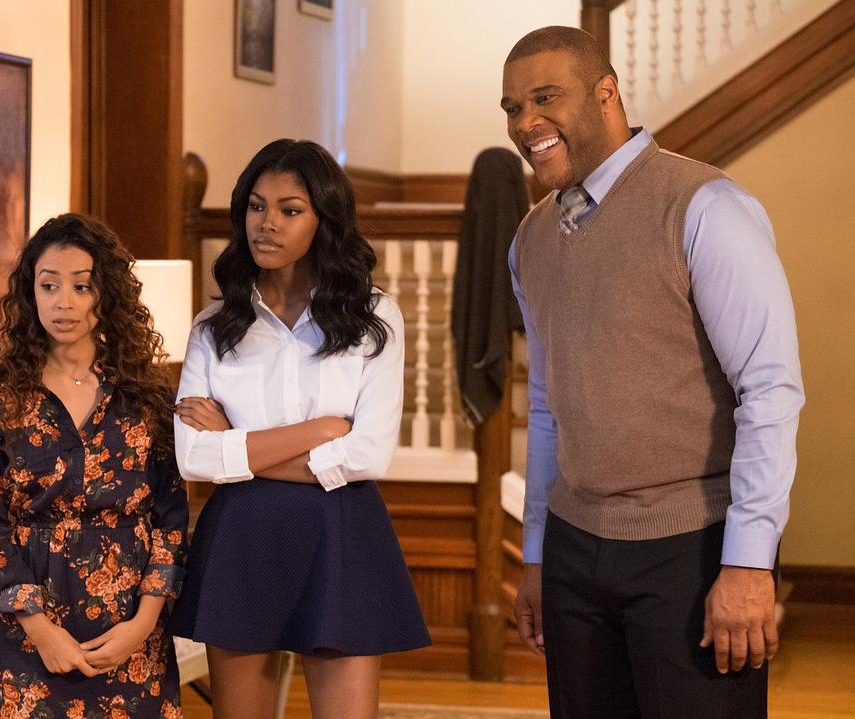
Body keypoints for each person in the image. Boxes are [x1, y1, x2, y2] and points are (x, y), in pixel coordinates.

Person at [501, 26, 804, 719]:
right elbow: (547, 406)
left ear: (606, 93)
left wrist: (749, 562)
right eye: (513, 108)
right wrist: (538, 555)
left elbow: (770, 391)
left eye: (545, 98)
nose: (525, 123)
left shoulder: (705, 205)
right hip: (575, 549)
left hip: (693, 550)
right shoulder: (531, 238)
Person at [168, 139, 430, 719]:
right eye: (256, 206)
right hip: (242, 537)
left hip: (340, 533)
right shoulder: (213, 327)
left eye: (290, 210)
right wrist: (321, 430)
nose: (267, 223)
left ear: (324, 219)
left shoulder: (373, 318)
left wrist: (239, 445)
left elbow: (368, 455)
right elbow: (194, 458)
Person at [0, 213, 188, 719]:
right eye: (49, 286)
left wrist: (142, 625)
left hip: (132, 632)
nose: (63, 302)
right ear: (31, 293)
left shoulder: (146, 395)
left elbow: (171, 519)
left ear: (106, 294)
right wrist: (41, 631)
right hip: (31, 638)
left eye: (81, 286)